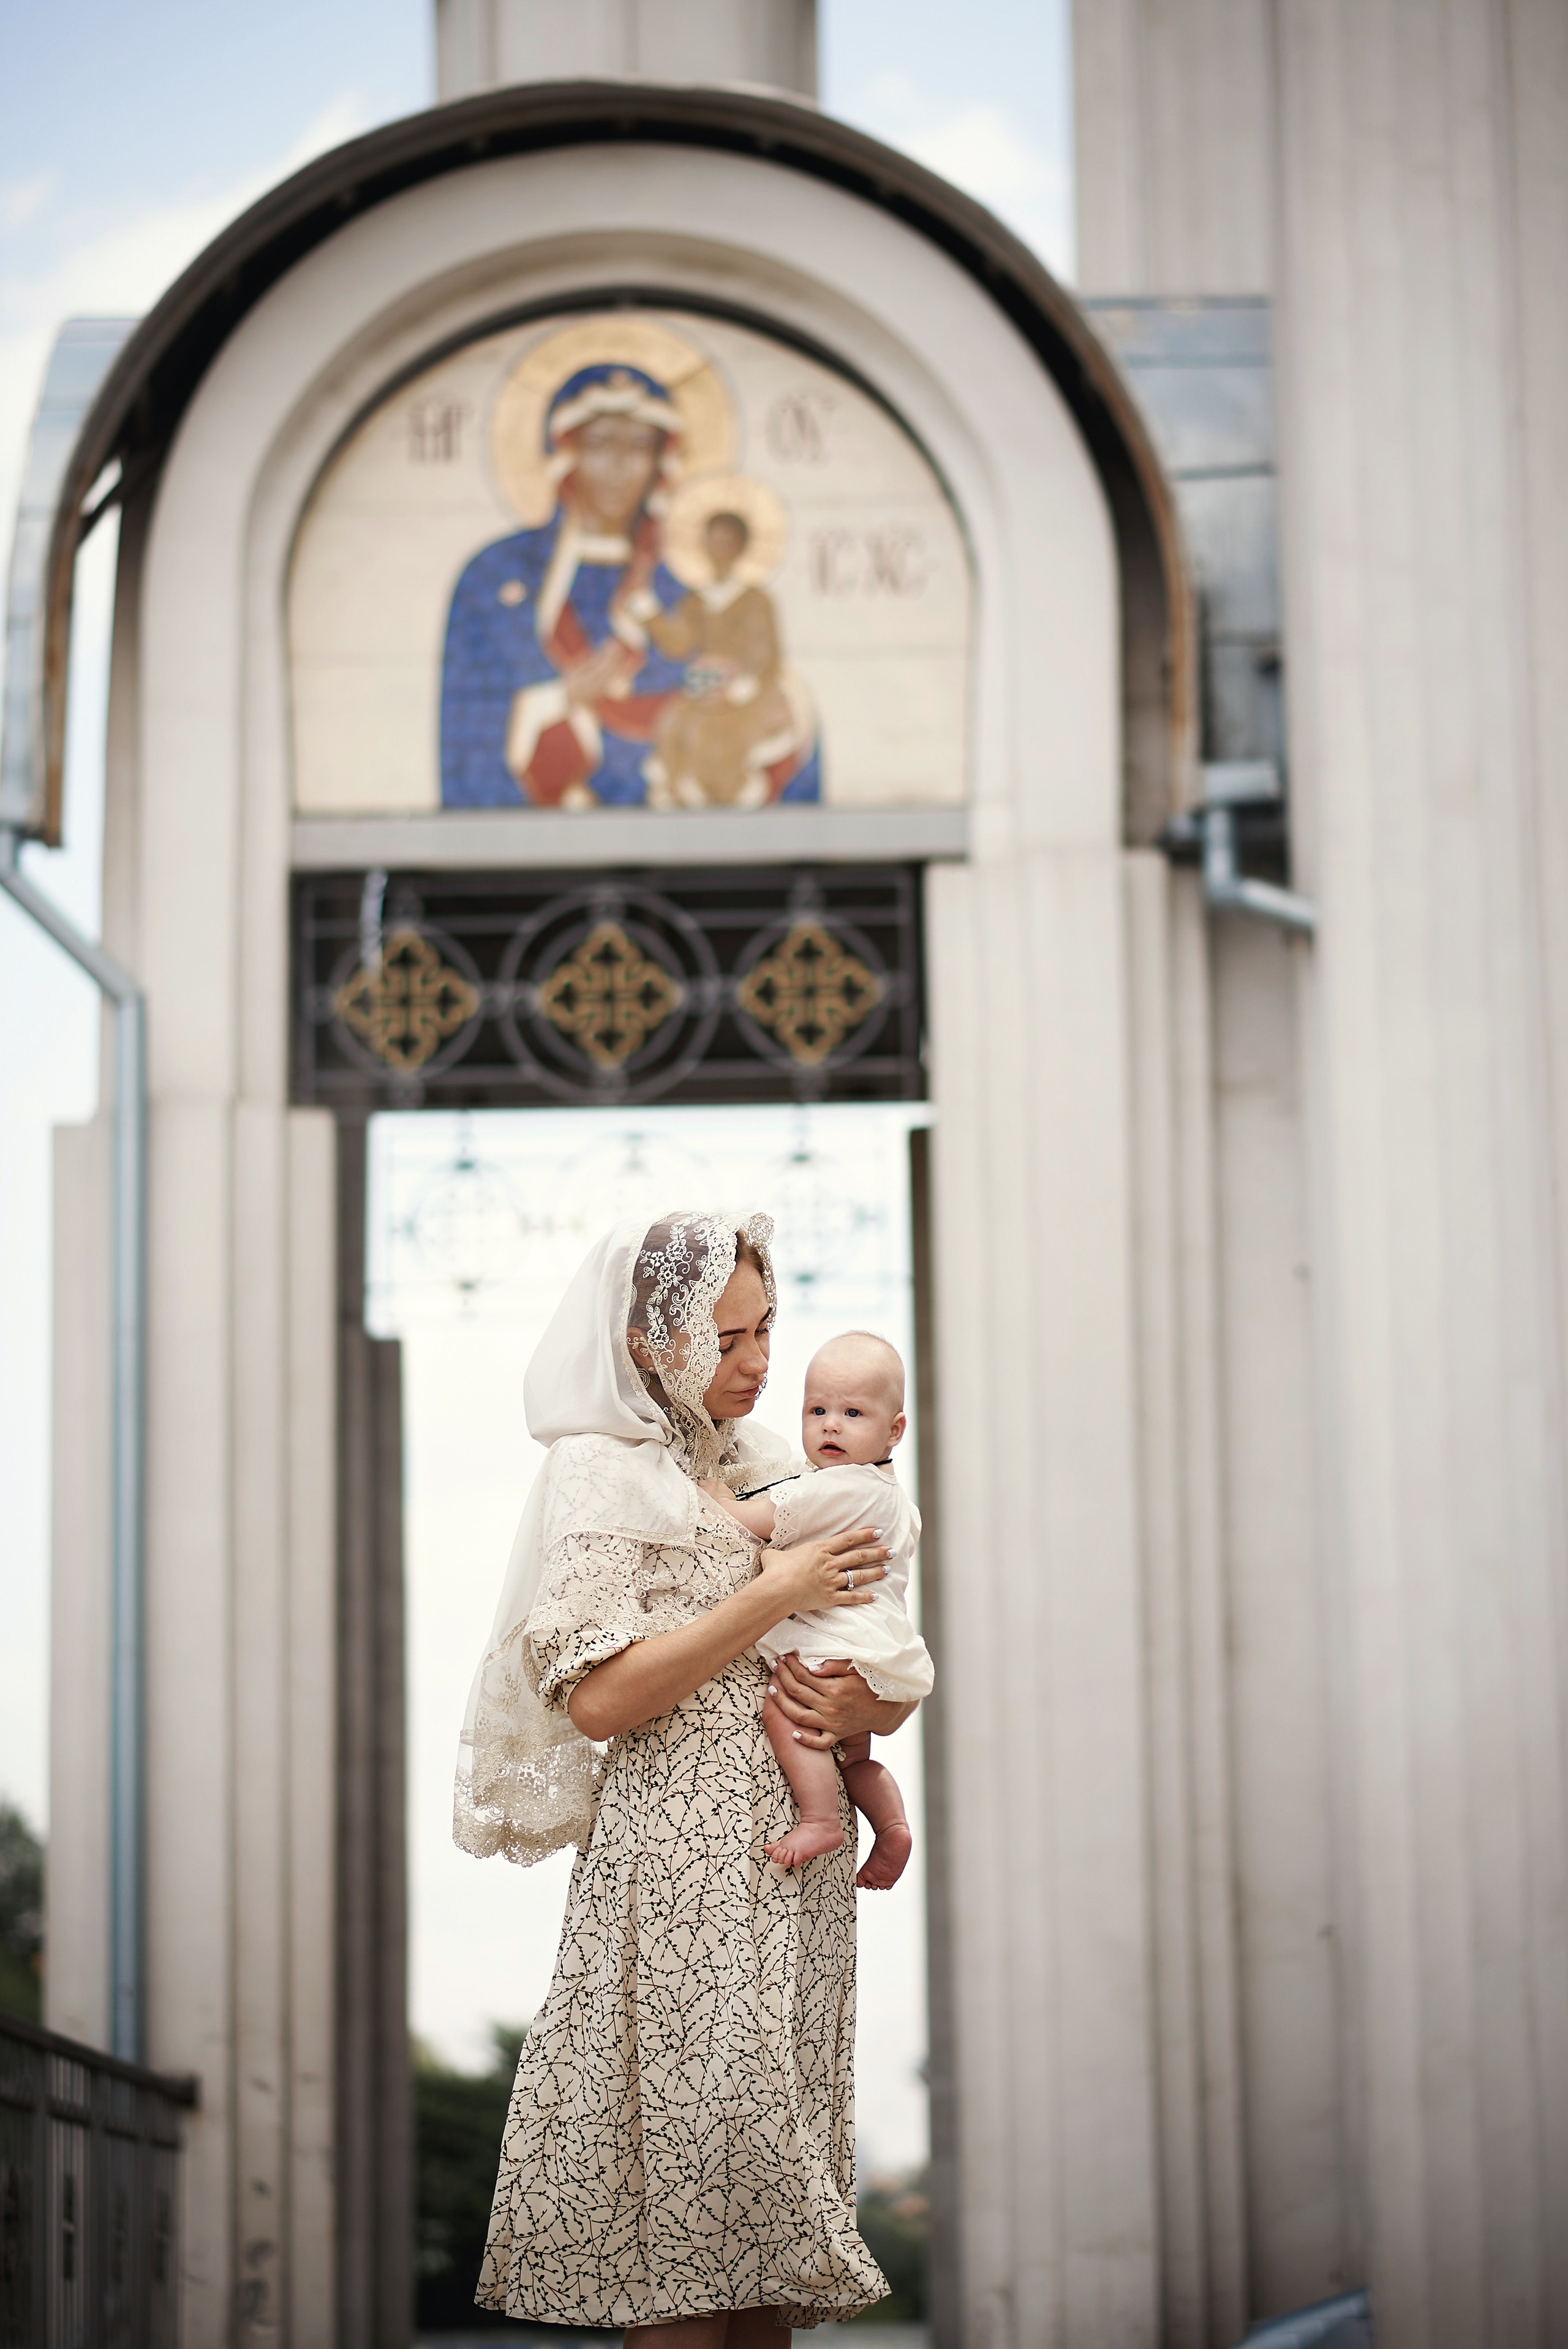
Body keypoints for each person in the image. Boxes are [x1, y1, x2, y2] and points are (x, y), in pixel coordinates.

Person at [454, 1211, 914, 2340]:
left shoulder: (770, 1463)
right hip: (684, 1869)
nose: (762, 1362)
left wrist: (869, 1701)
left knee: (761, 2233)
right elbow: (602, 1696)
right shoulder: (601, 1471)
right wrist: (769, 1587)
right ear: (655, 1339)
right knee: (681, 2230)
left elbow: (884, 1661)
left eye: (768, 1330)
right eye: (730, 1336)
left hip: (795, 1867)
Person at [700, 1331, 933, 1888]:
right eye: (818, 1409)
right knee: (853, 1760)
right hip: (870, 1651)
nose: (831, 1425)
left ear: (894, 1430)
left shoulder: (841, 1487)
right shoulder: (893, 1497)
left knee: (786, 1713)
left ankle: (821, 1819)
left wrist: (715, 1499)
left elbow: (756, 1521)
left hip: (830, 1645)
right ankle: (893, 1824)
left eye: (853, 1412)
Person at [644, 511, 805, 809]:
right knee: (672, 725)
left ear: (740, 548)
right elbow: (679, 644)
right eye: (713, 543)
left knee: (724, 739)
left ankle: (733, 798)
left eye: (727, 543)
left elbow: (768, 656)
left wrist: (745, 685)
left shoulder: (756, 600)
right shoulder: (696, 601)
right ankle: (678, 790)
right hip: (706, 687)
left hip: (748, 690)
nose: (719, 551)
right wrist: (652, 616)